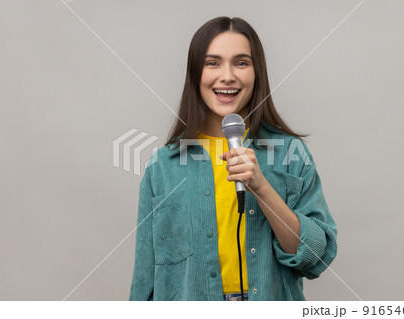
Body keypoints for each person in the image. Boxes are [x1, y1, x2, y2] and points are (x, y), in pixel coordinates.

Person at [129, 16, 337, 301]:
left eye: (241, 63)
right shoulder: (163, 167)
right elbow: (145, 280)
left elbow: (315, 258)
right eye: (212, 63)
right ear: (195, 74)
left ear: (257, 73)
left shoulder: (291, 154)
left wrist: (262, 187)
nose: (227, 76)